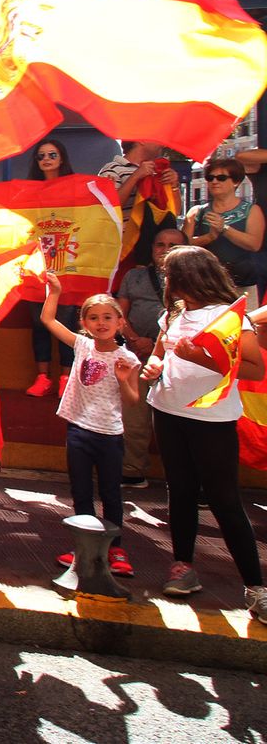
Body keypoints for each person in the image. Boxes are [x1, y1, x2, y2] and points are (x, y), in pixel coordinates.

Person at [143, 246, 266, 622]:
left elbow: (255, 368)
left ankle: (256, 588)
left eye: (170, 274)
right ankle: (182, 566)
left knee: (224, 499)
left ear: (190, 276)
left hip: (212, 418)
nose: (166, 280)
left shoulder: (229, 317)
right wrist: (153, 366)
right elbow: (159, 353)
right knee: (179, 491)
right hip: (167, 411)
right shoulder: (173, 314)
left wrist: (201, 358)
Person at [41, 275, 141, 576]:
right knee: (81, 492)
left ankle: (115, 548)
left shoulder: (127, 358)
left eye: (108, 317)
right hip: (78, 429)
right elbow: (48, 320)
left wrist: (123, 380)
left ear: (120, 322)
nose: (101, 323)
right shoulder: (82, 345)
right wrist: (55, 292)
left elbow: (133, 400)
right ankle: (85, 547)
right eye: (94, 318)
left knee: (111, 494)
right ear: (84, 323)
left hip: (109, 434)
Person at [116, 227, 184, 488]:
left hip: (176, 358)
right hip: (136, 354)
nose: (165, 250)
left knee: (179, 422)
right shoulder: (134, 276)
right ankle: (132, 470)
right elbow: (119, 314)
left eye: (173, 246)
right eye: (160, 244)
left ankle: (186, 480)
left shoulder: (192, 279)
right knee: (134, 416)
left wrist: (156, 345)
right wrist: (135, 340)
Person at [24, 137, 79, 396]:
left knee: (65, 323)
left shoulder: (76, 189)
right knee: (39, 324)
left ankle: (66, 379)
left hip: (69, 263)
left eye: (52, 155)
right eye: (41, 156)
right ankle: (43, 377)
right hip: (37, 267)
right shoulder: (28, 192)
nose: (46, 159)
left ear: (62, 158)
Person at [184, 155, 264, 306]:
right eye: (210, 178)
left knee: (244, 321)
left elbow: (254, 244)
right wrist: (208, 237)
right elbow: (183, 246)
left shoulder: (252, 210)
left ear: (236, 182)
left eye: (221, 178)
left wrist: (224, 228)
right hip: (205, 286)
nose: (214, 181)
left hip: (242, 285)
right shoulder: (197, 212)